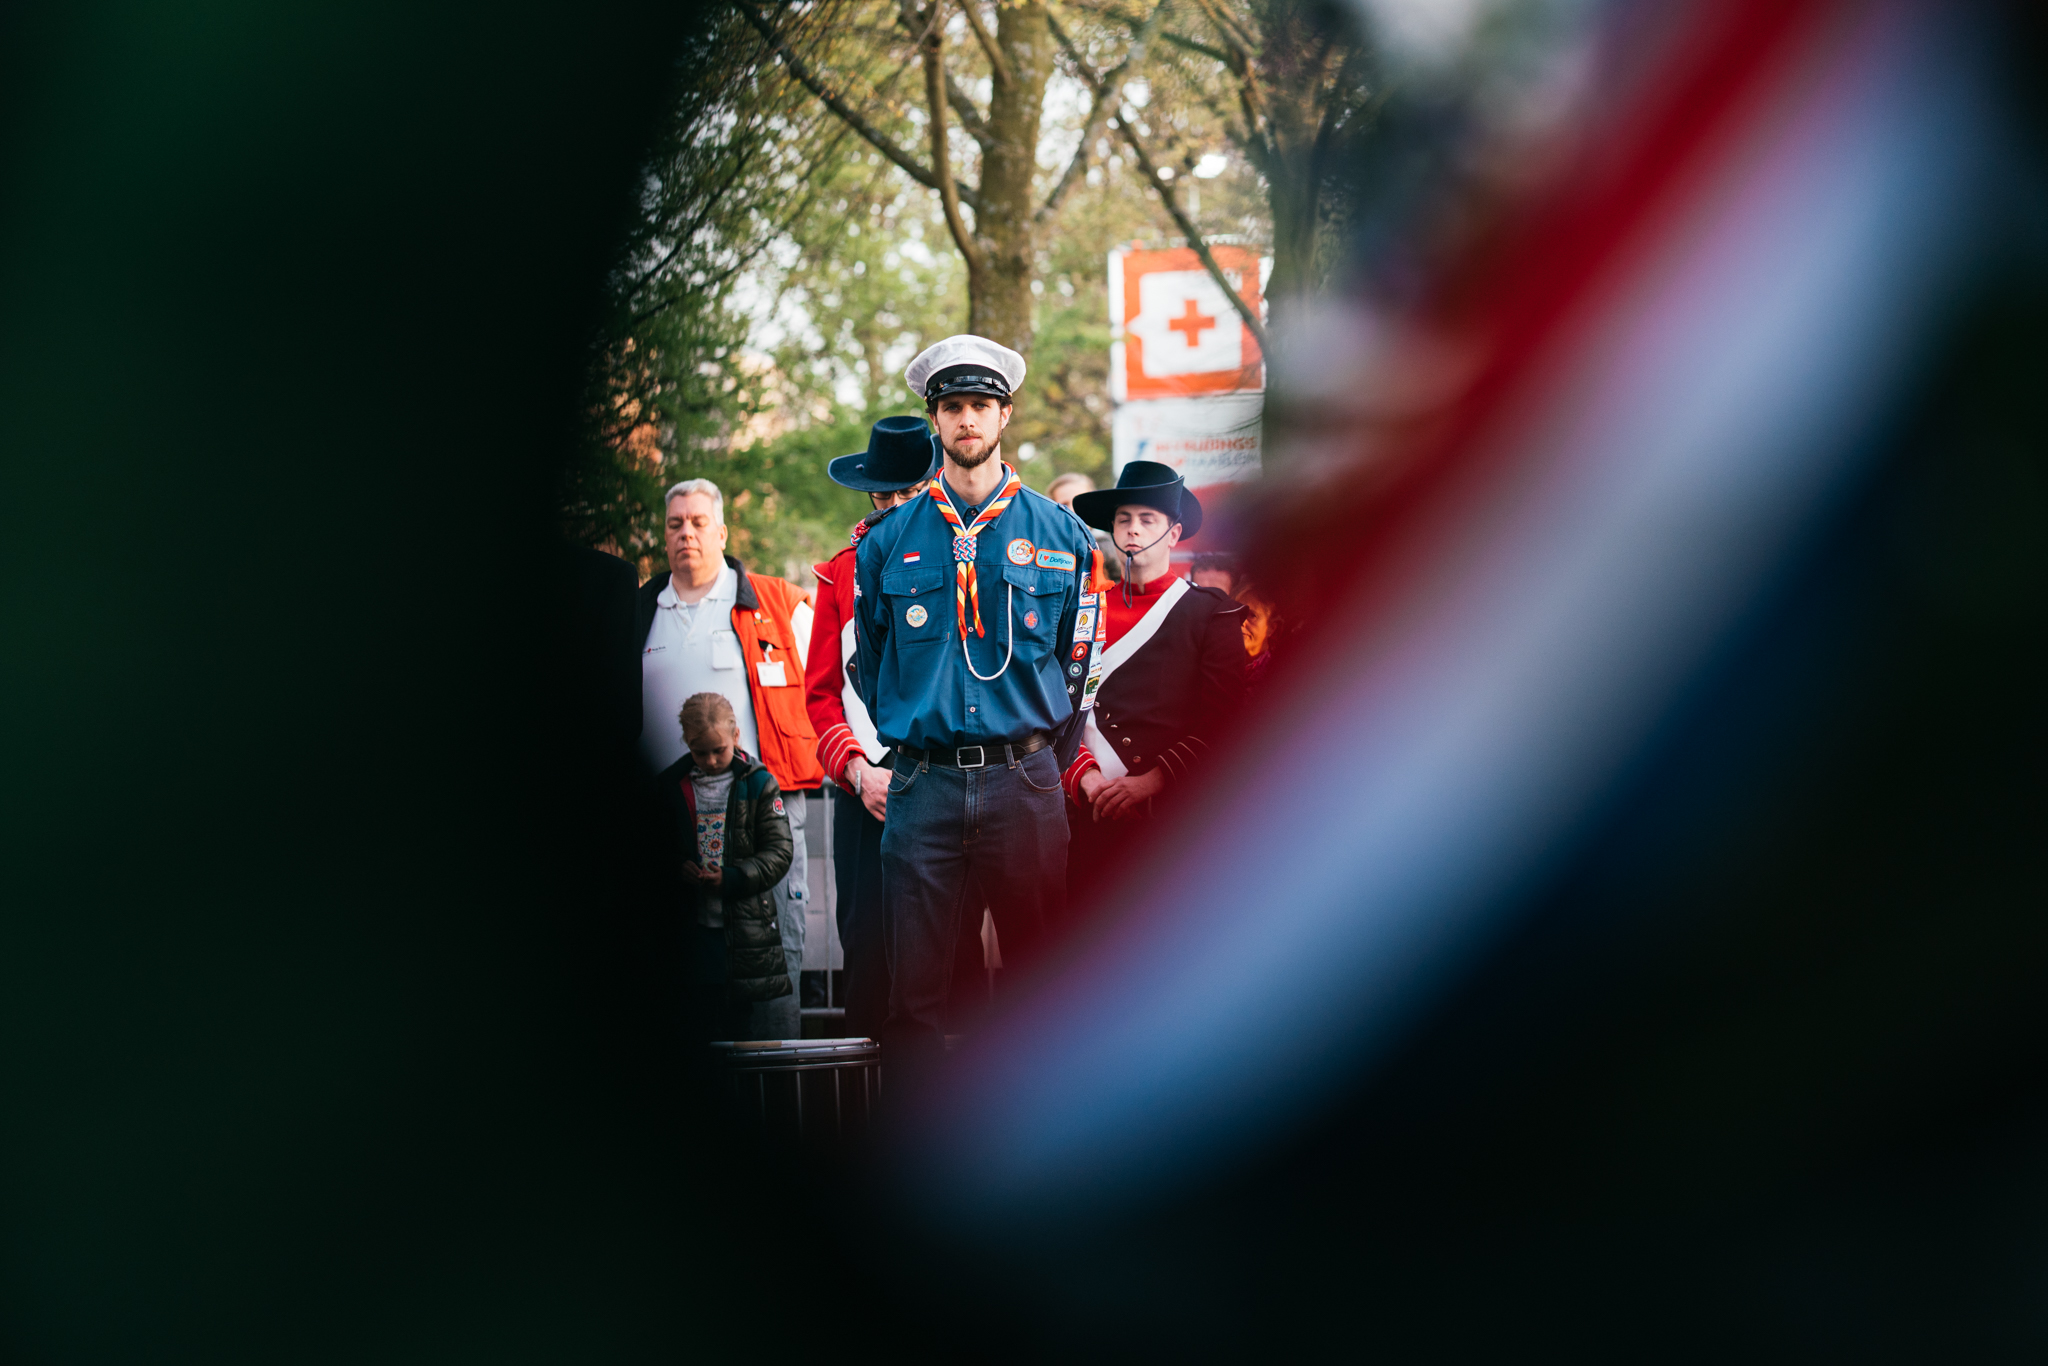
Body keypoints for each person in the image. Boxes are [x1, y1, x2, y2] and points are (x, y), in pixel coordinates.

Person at [854, 335, 1103, 1052]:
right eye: (953, 406)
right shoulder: (885, 541)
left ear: (1006, 416)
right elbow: (873, 667)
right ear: (935, 419)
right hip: (922, 785)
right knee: (914, 1007)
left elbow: (1077, 665)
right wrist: (916, 734)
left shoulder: (1064, 536)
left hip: (1024, 784)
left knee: (1042, 994)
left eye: (982, 405)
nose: (968, 419)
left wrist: (1035, 760)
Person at [637, 479, 821, 1040]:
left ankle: (777, 1103)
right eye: (675, 524)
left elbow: (830, 687)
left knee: (770, 966)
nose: (686, 533)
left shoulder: (774, 603)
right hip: (666, 820)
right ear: (662, 537)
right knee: (675, 971)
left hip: (759, 810)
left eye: (697, 522)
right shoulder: (639, 610)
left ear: (722, 531)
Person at [1064, 462, 1248, 919]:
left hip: (1171, 818)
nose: (1132, 530)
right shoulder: (1082, 611)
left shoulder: (1210, 614)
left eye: (1148, 520)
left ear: (1174, 533)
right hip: (1088, 811)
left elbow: (1229, 721)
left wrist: (1152, 782)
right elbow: (1055, 709)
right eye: (1124, 519)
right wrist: (1086, 777)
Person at [806, 415, 940, 1039]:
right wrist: (859, 773)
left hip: (943, 788)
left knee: (945, 955)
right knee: (866, 951)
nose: (891, 505)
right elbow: (821, 695)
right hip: (865, 793)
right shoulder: (839, 573)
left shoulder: (964, 565)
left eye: (906, 492)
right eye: (882, 494)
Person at [654, 693, 795, 1042]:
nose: (712, 760)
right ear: (687, 743)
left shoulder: (760, 783)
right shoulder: (669, 787)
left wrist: (732, 878)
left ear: (735, 736)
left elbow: (779, 851)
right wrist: (676, 868)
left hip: (743, 932)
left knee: (739, 1028)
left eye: (719, 749)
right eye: (700, 752)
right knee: (693, 1024)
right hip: (691, 929)